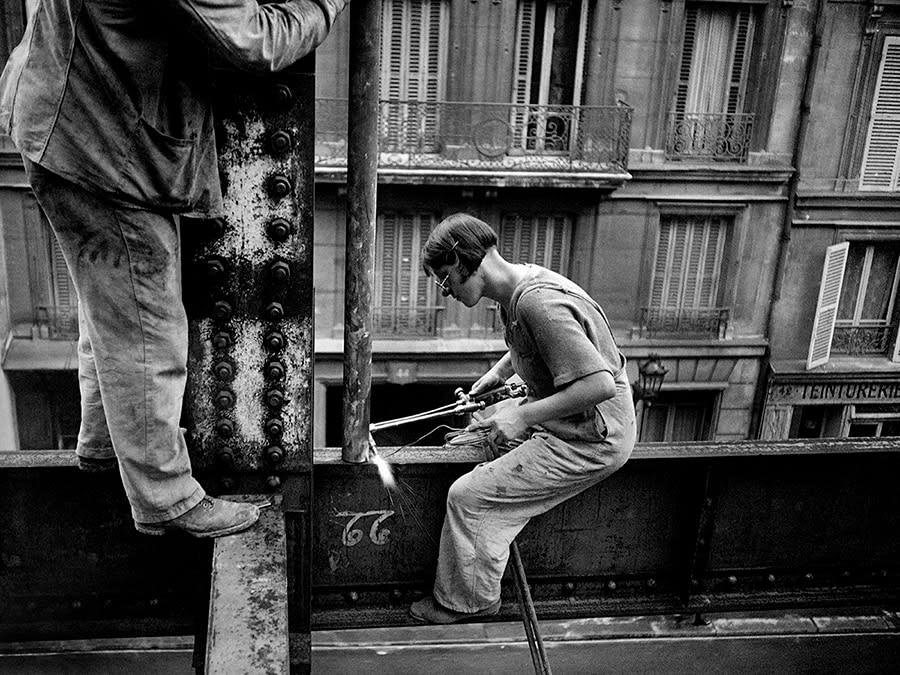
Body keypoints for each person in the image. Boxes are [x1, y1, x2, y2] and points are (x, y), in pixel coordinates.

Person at [0, 0, 348, 538]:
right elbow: (256, 41)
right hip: (104, 145)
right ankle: (167, 498)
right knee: (147, 327)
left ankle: (102, 447)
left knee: (109, 309)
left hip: (58, 118)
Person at [410, 213, 636, 623]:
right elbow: (530, 345)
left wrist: (521, 417)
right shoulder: (518, 287)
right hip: (568, 419)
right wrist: (497, 375)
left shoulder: (537, 302)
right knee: (469, 440)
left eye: (445, 278)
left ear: (464, 260)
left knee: (468, 497)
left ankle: (471, 601)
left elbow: (599, 385)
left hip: (591, 437)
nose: (446, 291)